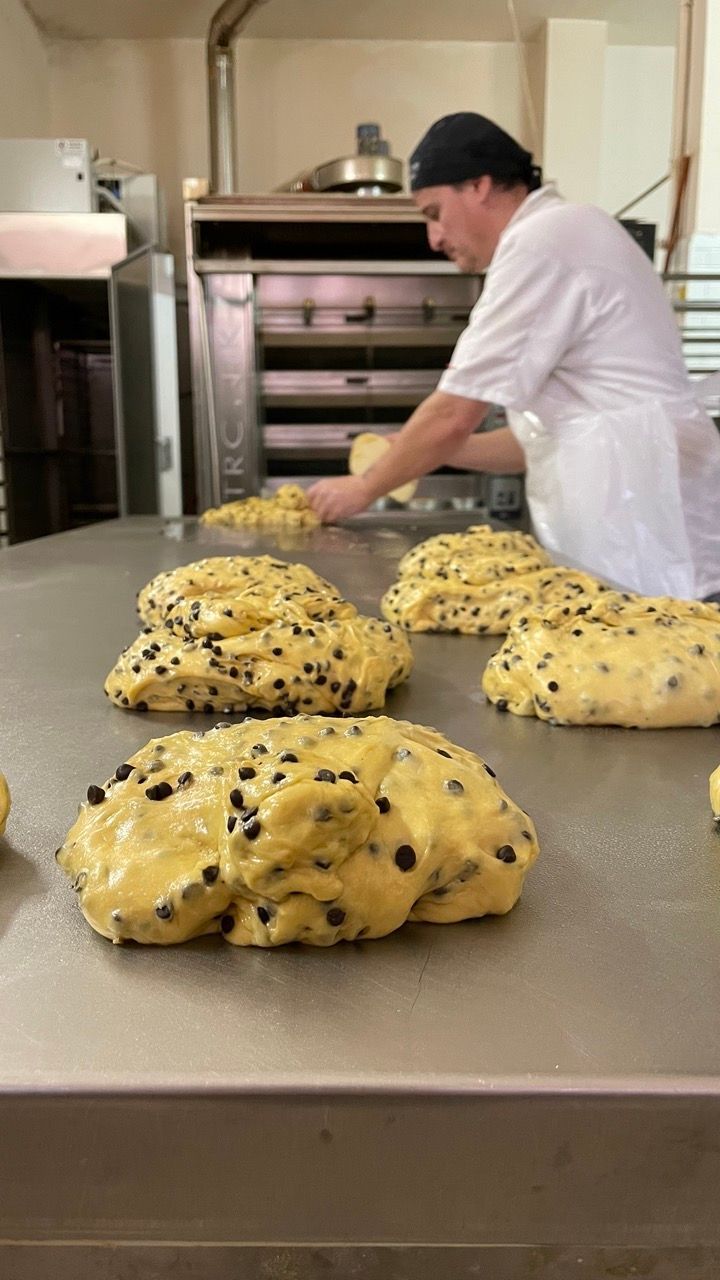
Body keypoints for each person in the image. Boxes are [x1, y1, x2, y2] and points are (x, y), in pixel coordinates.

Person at [307, 112, 720, 600]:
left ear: (479, 186)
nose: (434, 239)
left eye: (434, 213)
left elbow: (455, 413)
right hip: (630, 541)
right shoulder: (561, 234)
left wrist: (364, 487)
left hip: (652, 548)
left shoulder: (544, 240)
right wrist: (419, 451)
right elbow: (541, 440)